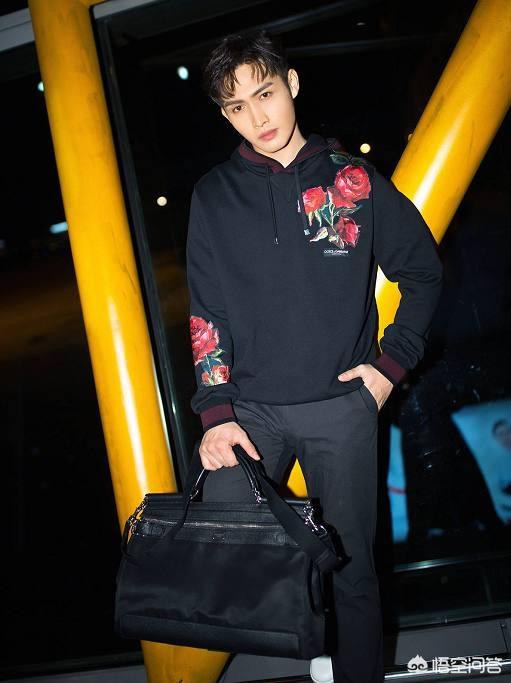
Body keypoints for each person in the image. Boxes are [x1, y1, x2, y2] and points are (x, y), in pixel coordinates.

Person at [185, 28, 443, 683]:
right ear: (224, 114)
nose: (257, 117)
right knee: (224, 555)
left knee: (353, 573)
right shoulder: (212, 196)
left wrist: (388, 369)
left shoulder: (352, 178)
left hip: (340, 408)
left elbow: (421, 272)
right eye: (236, 106)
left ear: (291, 84)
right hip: (250, 413)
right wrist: (216, 413)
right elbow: (207, 312)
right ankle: (303, 653)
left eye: (264, 93)